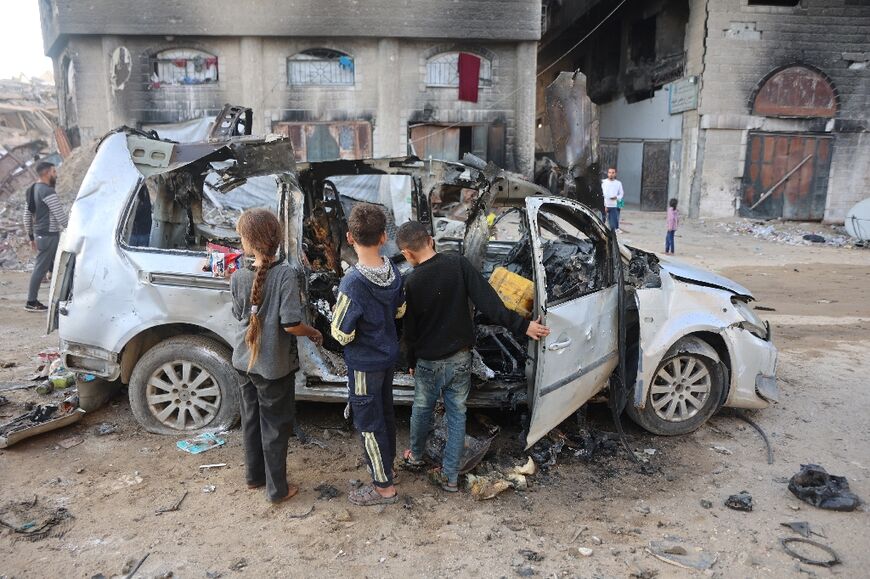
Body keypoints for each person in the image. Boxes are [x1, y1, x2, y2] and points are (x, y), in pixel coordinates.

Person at [396, 221, 550, 492]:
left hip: (428, 363)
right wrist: (524, 326)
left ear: (407, 254)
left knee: (421, 410)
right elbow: (490, 303)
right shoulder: (458, 264)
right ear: (431, 240)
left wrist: (409, 362)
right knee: (457, 414)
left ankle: (416, 457)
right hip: (459, 358)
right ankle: (451, 477)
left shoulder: (411, 282)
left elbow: (409, 331)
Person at [231, 208, 323, 504]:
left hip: (244, 362)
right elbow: (290, 324)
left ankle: (254, 478)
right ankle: (277, 490)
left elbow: (238, 313)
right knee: (275, 427)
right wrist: (312, 332)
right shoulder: (285, 275)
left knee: (252, 421)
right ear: (276, 239)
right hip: (273, 367)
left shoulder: (238, 276)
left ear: (247, 242)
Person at [330, 203, 405, 507]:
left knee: (368, 423)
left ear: (350, 237)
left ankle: (383, 488)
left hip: (363, 366)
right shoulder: (393, 271)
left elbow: (341, 332)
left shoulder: (352, 283)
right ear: (384, 236)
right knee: (385, 414)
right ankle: (387, 468)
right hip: (387, 358)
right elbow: (400, 310)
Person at [23, 161, 67, 312]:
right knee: (40, 269)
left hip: (40, 235)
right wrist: (74, 228)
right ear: (48, 173)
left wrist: (31, 237)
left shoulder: (31, 189)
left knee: (57, 266)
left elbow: (26, 216)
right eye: (54, 172)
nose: (56, 175)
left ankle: (62, 298)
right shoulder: (48, 192)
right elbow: (61, 217)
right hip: (49, 236)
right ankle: (31, 301)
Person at [601, 167, 624, 233]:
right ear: (607, 173)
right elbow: (601, 194)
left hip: (614, 204)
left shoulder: (618, 183)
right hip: (604, 204)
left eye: (613, 173)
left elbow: (621, 194)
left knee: (613, 224)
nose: (611, 174)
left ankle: (616, 228)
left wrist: (616, 197)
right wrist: (604, 205)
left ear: (615, 174)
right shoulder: (603, 182)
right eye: (609, 172)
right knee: (601, 220)